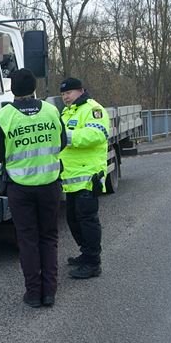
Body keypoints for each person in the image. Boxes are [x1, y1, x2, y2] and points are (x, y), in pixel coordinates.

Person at [0, 68, 67, 308]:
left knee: (28, 239)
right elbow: (62, 142)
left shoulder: (5, 116)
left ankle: (33, 293)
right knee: (49, 238)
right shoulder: (52, 111)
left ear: (13, 90)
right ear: (34, 88)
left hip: (20, 188)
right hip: (50, 184)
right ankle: (50, 292)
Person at [58, 77, 111, 279]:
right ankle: (86, 252)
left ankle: (93, 262)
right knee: (73, 219)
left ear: (80, 91)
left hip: (88, 175)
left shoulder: (93, 109)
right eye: (63, 94)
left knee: (87, 220)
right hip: (71, 177)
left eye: (68, 93)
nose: (65, 97)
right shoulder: (67, 112)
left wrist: (68, 137)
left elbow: (97, 135)